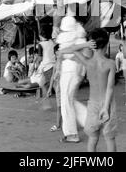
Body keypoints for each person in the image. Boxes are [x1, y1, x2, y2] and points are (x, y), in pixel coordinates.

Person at [63, 28, 117, 152]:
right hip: (108, 104)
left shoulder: (87, 62)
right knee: (109, 138)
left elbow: (72, 48)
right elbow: (110, 88)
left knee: (93, 138)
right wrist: (105, 108)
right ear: (107, 44)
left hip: (93, 104)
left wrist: (86, 44)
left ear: (93, 45)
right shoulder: (110, 63)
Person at [57, 15, 87, 143]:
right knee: (70, 100)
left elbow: (81, 55)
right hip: (70, 70)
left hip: (70, 70)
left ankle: (72, 134)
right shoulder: (78, 35)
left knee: (66, 101)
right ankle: (91, 122)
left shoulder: (76, 37)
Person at [16, 24, 55, 97]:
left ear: (40, 35)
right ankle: (48, 97)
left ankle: (46, 99)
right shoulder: (52, 42)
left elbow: (40, 57)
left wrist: (36, 64)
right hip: (53, 65)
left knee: (44, 85)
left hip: (46, 66)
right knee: (51, 83)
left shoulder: (41, 44)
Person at [48, 44, 62, 132]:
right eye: (57, 54)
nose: (58, 56)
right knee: (59, 107)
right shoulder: (56, 64)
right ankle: (58, 125)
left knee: (64, 107)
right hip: (58, 88)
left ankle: (60, 124)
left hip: (64, 87)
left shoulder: (66, 63)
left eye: (59, 54)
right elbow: (53, 76)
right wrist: (50, 88)